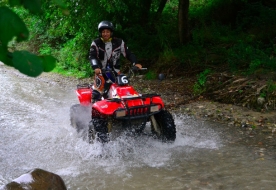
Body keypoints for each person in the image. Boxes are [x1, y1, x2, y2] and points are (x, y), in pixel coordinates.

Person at [89, 20, 138, 102]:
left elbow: (128, 53)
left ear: (111, 32)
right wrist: (96, 67)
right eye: (103, 32)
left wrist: (135, 63)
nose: (105, 34)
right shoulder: (96, 43)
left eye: (107, 32)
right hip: (101, 71)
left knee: (124, 87)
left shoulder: (119, 42)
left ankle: (128, 104)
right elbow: (92, 56)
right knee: (97, 91)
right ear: (100, 33)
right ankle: (93, 108)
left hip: (115, 72)